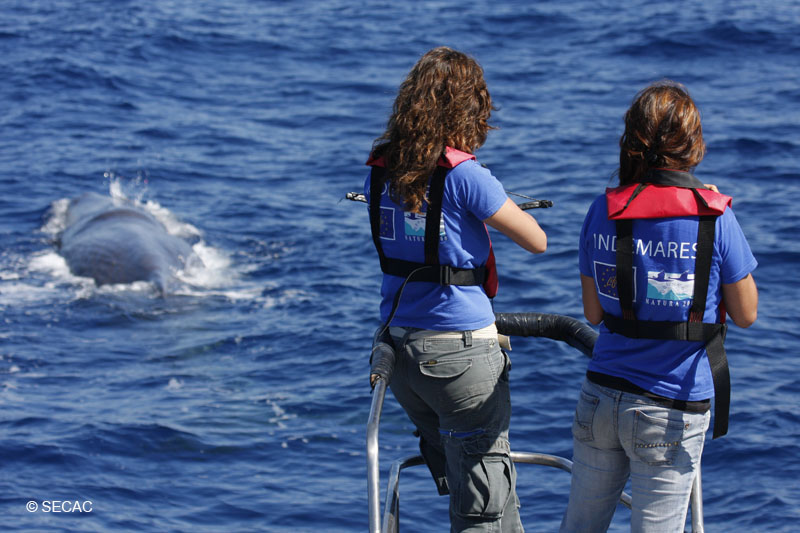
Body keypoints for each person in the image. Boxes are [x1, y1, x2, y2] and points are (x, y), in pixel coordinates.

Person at [560, 80, 758, 533]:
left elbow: (592, 314)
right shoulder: (714, 216)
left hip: (599, 396)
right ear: (692, 145)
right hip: (670, 407)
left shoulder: (600, 210)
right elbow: (746, 314)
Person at [364, 47, 547, 532]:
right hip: (461, 359)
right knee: (482, 506)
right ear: (470, 108)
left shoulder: (382, 169)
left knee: (487, 491)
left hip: (401, 353)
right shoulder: (466, 175)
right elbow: (536, 241)